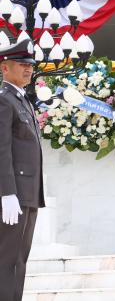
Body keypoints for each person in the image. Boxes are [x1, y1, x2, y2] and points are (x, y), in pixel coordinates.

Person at [0, 40, 43, 301]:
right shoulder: (4, 100)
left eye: (30, 65)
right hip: (13, 194)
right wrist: (7, 192)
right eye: (21, 64)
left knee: (18, 260)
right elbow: (1, 149)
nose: (28, 69)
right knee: (7, 260)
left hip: (27, 193)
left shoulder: (21, 99)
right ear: (4, 68)